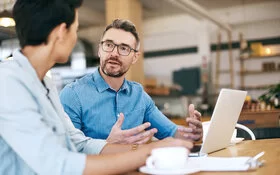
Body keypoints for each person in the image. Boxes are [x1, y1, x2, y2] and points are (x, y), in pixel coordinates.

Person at [0, 0, 194, 174]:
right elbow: (60, 165)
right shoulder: (8, 83)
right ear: (61, 32)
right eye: (75, 29)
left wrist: (148, 148)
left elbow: (79, 143)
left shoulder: (44, 83)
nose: (75, 38)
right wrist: (149, 152)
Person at [60, 19, 203, 144]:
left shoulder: (139, 96)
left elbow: (172, 133)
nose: (114, 53)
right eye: (109, 45)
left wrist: (193, 134)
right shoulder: (72, 95)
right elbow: (65, 152)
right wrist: (107, 144)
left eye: (124, 48)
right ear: (99, 50)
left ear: (135, 57)